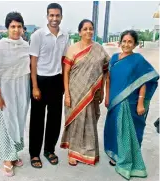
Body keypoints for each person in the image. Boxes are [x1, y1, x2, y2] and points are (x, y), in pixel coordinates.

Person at [104, 30, 159, 180]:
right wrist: (107, 97)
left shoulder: (138, 60)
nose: (126, 44)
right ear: (120, 42)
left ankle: (126, 160)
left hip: (130, 102)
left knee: (127, 131)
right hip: (114, 100)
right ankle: (116, 155)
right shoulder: (114, 58)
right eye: (124, 41)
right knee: (115, 128)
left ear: (135, 44)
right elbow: (109, 79)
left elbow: (145, 81)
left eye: (130, 42)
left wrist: (141, 102)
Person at [60, 19, 110, 166]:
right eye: (85, 29)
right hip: (75, 92)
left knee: (90, 121)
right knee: (76, 122)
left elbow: (107, 69)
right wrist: (67, 94)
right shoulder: (73, 48)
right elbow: (66, 73)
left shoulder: (99, 49)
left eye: (91, 29)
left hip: (93, 93)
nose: (88, 31)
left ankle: (88, 152)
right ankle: (73, 153)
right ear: (80, 32)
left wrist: (102, 91)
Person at [0, 12, 30, 177]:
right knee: (5, 123)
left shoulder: (26, 46)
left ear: (22, 29)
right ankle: (7, 159)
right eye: (13, 26)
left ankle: (14, 154)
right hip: (3, 92)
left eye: (19, 26)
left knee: (17, 122)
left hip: (21, 90)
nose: (16, 30)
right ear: (7, 28)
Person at [29, 3, 69, 168]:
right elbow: (33, 62)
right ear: (47, 16)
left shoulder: (65, 35)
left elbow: (64, 59)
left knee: (54, 119)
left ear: (61, 16)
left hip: (56, 81)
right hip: (40, 80)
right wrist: (35, 86)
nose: (54, 19)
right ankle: (34, 154)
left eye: (57, 15)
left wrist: (64, 86)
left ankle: (49, 150)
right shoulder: (38, 35)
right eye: (51, 15)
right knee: (37, 119)